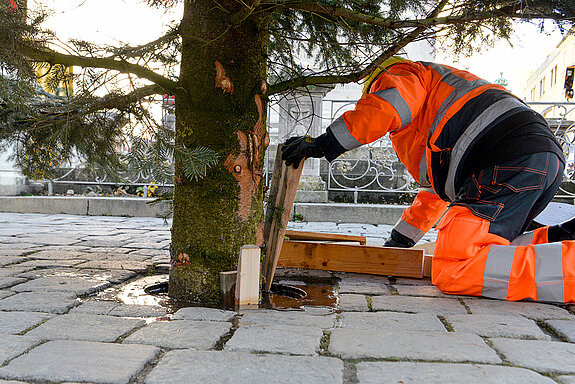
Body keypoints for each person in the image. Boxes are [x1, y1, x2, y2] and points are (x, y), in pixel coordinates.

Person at [281, 57, 575, 303]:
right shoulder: (439, 119)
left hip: (506, 157)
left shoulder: (402, 73)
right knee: (488, 247)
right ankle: (562, 237)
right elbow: (435, 194)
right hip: (541, 160)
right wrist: (399, 242)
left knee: (452, 265)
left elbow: (387, 107)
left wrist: (324, 143)